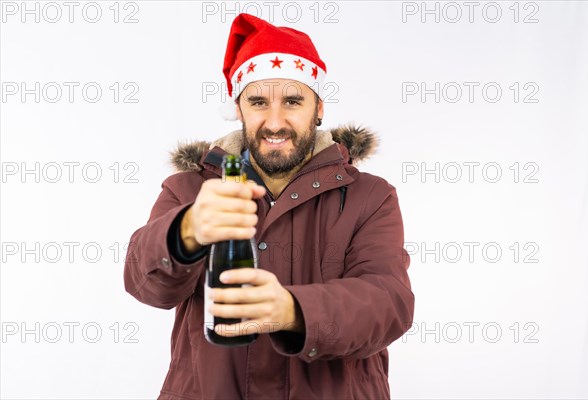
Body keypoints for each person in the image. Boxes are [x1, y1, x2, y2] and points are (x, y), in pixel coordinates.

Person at [124, 13, 414, 400]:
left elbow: (388, 302)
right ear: (239, 108)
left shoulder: (370, 197)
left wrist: (292, 311)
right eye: (258, 101)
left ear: (319, 108)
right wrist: (186, 231)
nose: (275, 122)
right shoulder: (189, 189)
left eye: (293, 101)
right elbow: (145, 285)